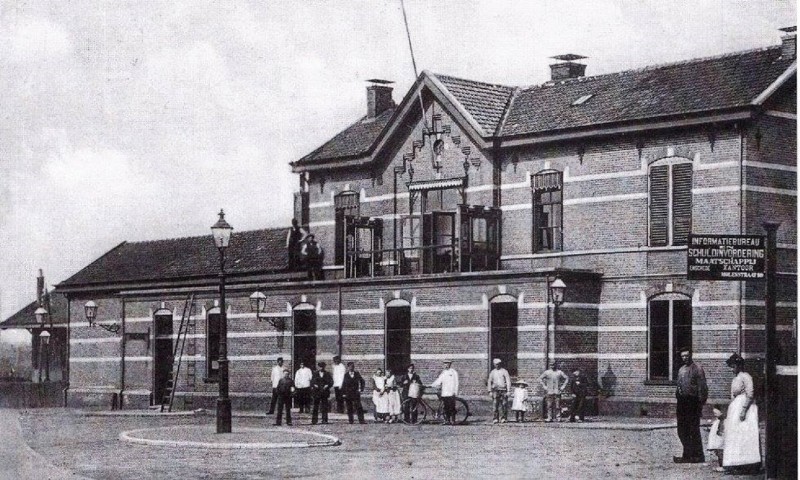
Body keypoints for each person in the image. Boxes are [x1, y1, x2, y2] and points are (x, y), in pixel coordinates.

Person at [720, 353, 761, 474]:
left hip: (746, 409)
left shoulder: (745, 376)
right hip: (736, 408)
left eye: (733, 366)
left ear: (739, 366)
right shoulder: (736, 378)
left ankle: (748, 464)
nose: (732, 369)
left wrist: (743, 410)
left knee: (745, 435)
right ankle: (736, 463)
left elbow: (750, 393)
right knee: (735, 435)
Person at [673, 348, 708, 464]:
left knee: (693, 429)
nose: (685, 358)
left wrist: (700, 404)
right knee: (682, 429)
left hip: (693, 402)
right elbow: (679, 385)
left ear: (691, 355)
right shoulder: (681, 370)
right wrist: (678, 395)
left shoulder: (697, 369)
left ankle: (698, 455)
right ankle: (687, 454)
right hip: (682, 403)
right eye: (683, 356)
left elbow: (702, 388)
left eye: (687, 356)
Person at [431, 359, 459, 425]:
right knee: (446, 407)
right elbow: (438, 380)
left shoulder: (454, 372)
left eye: (447, 363)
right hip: (445, 393)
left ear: (450, 364)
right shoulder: (443, 372)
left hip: (451, 392)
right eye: (445, 363)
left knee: (452, 407)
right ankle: (447, 420)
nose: (446, 365)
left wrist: (455, 391)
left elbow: (457, 382)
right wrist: (431, 385)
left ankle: (453, 421)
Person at [487, 358, 512, 423]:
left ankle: (503, 418)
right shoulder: (492, 372)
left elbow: (508, 381)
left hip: (503, 390)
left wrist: (508, 390)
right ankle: (495, 418)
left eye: (498, 364)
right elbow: (489, 381)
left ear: (500, 364)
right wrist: (489, 391)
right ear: (494, 365)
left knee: (504, 404)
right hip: (495, 390)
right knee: (495, 405)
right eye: (495, 364)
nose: (497, 365)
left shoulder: (504, 371)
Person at [707, 406, 726, 471]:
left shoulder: (722, 421)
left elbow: (721, 429)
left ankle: (723, 466)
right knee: (718, 452)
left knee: (721, 452)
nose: (714, 414)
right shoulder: (718, 420)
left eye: (716, 413)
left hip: (720, 439)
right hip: (717, 439)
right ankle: (722, 465)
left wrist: (720, 432)